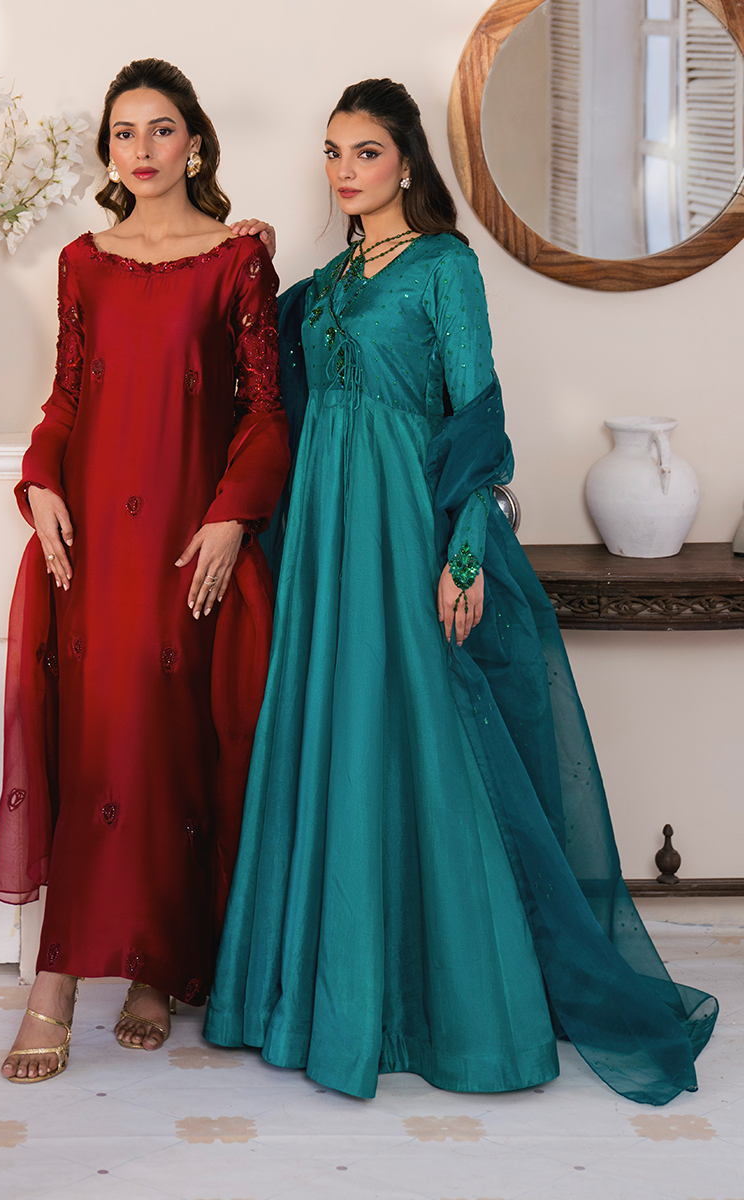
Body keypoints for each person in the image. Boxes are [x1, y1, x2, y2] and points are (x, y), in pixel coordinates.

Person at [204, 79, 717, 1104]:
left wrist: (465, 556)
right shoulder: (328, 282)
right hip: (326, 539)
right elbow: (267, 365)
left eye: (365, 152)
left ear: (407, 161)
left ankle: (459, 1009)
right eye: (332, 152)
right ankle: (325, 994)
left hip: (404, 527)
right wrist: (250, 260)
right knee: (338, 734)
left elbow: (476, 416)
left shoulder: (444, 267)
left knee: (428, 739)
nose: (344, 170)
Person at [0, 58, 289, 1081]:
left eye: (162, 129)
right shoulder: (82, 261)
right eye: (125, 132)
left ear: (194, 143)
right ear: (108, 151)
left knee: (165, 746)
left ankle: (156, 966)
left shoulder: (237, 261)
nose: (144, 148)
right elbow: (67, 395)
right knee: (94, 744)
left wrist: (231, 517)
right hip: (94, 548)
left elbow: (263, 409)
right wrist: (39, 480)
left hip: (185, 543)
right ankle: (57, 981)